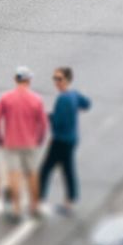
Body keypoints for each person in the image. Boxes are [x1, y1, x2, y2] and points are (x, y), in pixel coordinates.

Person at [0, 66, 48, 222]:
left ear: (16, 79)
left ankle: (16, 209)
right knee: (32, 174)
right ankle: (35, 207)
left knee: (14, 175)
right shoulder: (36, 99)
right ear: (29, 80)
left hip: (11, 142)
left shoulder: (6, 98)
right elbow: (43, 123)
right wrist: (39, 139)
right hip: (30, 142)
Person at [37, 66, 91, 215]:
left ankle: (40, 199)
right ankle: (70, 200)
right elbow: (87, 104)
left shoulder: (62, 98)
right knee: (67, 169)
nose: (56, 82)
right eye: (55, 78)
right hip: (72, 138)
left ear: (67, 80)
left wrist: (47, 116)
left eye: (59, 79)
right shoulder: (73, 95)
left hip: (61, 139)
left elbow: (58, 122)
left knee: (46, 169)